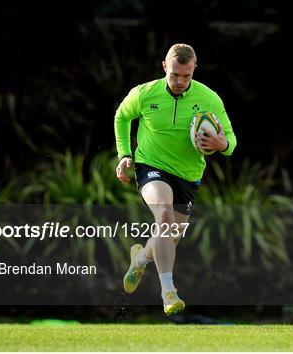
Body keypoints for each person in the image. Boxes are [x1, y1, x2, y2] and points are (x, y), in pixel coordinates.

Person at [114, 43, 237, 315]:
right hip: (151, 166)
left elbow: (231, 141)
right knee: (164, 216)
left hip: (188, 175)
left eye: (186, 76)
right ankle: (168, 292)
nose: (180, 81)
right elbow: (122, 116)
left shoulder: (209, 99)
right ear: (164, 67)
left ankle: (140, 260)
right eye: (175, 75)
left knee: (168, 236)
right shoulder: (144, 93)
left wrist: (221, 143)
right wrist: (124, 153)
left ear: (194, 70)